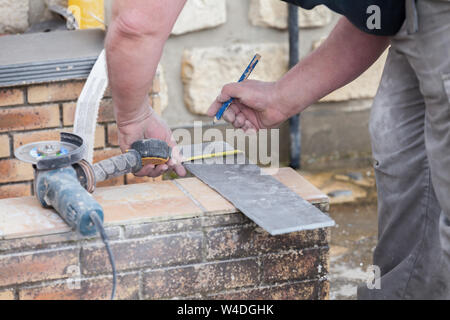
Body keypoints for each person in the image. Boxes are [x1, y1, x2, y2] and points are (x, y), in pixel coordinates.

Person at [105, 0, 450, 299]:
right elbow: (379, 15)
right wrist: (282, 98)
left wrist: (133, 117)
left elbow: (136, 24)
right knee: (404, 152)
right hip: (416, 13)